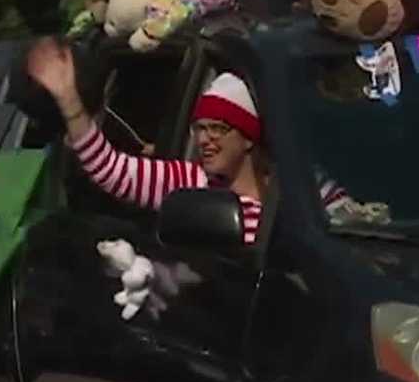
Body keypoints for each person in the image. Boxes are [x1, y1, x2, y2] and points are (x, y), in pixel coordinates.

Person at [25, 36, 355, 244]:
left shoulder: (306, 186)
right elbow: (110, 170)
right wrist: (68, 100)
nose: (205, 140)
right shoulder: (190, 182)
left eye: (219, 129)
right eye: (200, 128)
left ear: (248, 138)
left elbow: (352, 230)